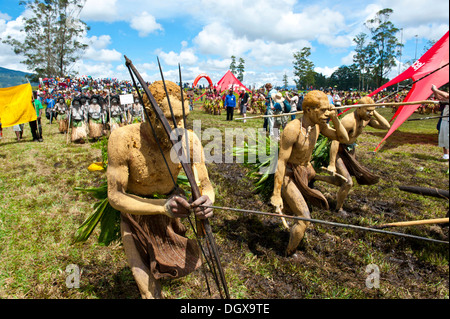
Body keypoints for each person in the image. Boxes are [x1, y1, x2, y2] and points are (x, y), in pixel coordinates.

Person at [107, 80, 215, 299]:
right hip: (135, 214)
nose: (179, 126)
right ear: (149, 113)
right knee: (149, 293)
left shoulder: (189, 140)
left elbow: (206, 186)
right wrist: (161, 207)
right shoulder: (124, 139)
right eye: (170, 119)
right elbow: (115, 196)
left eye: (183, 117)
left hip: (170, 214)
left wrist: (207, 201)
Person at [270, 90, 349, 256]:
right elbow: (282, 162)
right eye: (322, 110)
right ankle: (289, 253)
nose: (326, 114)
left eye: (328, 109)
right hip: (289, 175)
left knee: (296, 212)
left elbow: (343, 138)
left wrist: (334, 117)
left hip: (306, 171)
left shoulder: (318, 125)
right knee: (304, 218)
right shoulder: (292, 129)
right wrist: (276, 193)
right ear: (308, 110)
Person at [314, 96, 390, 216]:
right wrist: (332, 164)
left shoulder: (366, 119)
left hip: (350, 151)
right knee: (348, 182)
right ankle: (338, 209)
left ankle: (315, 177)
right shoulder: (348, 121)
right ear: (359, 108)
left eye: (372, 111)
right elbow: (335, 140)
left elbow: (386, 126)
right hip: (339, 151)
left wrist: (373, 111)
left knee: (340, 181)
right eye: (368, 110)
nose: (370, 114)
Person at [432, 84, 449, 160]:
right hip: (444, 119)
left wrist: (436, 90)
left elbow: (447, 96)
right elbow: (440, 98)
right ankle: (446, 155)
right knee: (443, 137)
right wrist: (434, 91)